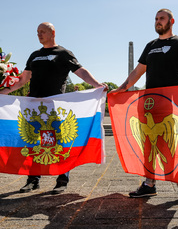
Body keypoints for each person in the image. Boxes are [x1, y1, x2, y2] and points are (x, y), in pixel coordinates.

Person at [0, 22, 107, 194]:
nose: (39, 35)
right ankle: (33, 180)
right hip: (34, 108)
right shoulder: (34, 55)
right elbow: (22, 80)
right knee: (34, 142)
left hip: (55, 107)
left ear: (53, 33)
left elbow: (80, 71)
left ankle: (62, 179)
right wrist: (3, 93)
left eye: (42, 31)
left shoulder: (63, 53)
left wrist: (96, 84)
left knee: (58, 143)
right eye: (37, 32)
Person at [111, 8, 178, 206]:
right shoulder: (150, 46)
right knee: (148, 146)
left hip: (172, 104)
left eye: (162, 19)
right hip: (149, 103)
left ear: (171, 21)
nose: (158, 22)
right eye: (156, 19)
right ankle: (149, 184)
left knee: (173, 145)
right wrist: (123, 87)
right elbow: (138, 71)